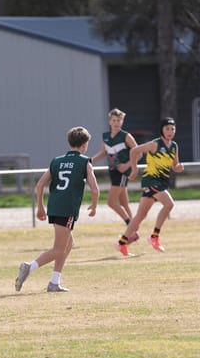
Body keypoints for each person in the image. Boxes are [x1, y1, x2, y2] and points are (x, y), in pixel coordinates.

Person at [15, 127, 100, 293]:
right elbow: (95, 189)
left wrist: (40, 206)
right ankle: (29, 267)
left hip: (54, 206)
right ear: (84, 145)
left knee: (68, 244)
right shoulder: (85, 161)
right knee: (59, 249)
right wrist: (94, 205)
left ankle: (54, 282)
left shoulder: (56, 160)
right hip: (67, 208)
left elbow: (40, 184)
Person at [116, 117, 184, 256]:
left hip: (162, 182)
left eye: (172, 129)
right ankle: (154, 237)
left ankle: (122, 242)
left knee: (140, 216)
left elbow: (174, 165)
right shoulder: (155, 144)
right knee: (169, 204)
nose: (170, 131)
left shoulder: (174, 146)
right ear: (162, 130)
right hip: (151, 180)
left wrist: (179, 168)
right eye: (167, 129)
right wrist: (134, 170)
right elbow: (134, 151)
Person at [92, 108, 138, 227]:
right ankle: (133, 230)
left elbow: (138, 152)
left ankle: (129, 223)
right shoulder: (106, 136)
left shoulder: (126, 136)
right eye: (114, 120)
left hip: (122, 172)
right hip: (113, 171)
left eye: (119, 120)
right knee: (124, 203)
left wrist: (127, 165)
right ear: (110, 122)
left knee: (111, 202)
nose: (116, 122)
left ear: (122, 121)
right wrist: (89, 161)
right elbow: (103, 153)